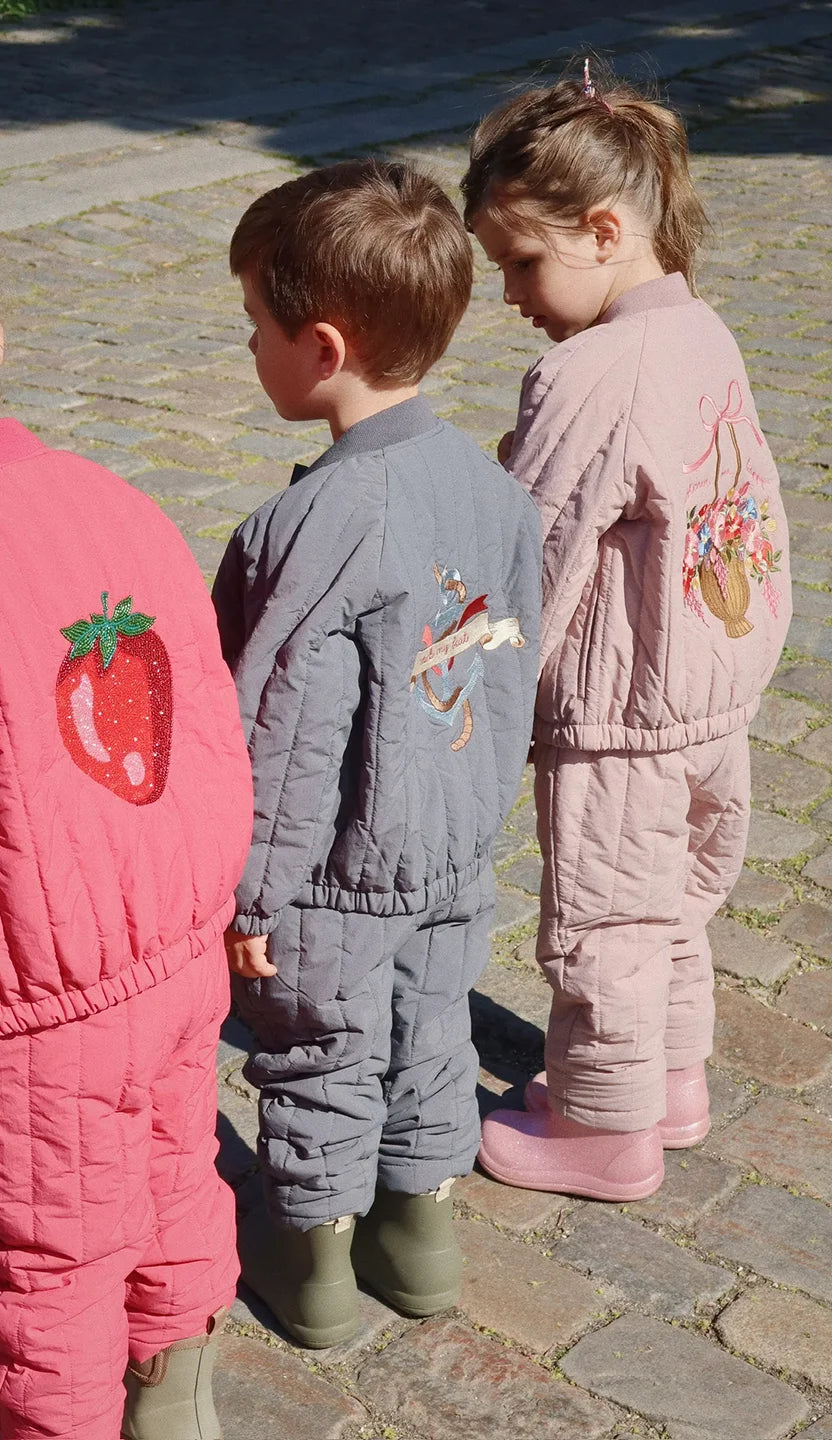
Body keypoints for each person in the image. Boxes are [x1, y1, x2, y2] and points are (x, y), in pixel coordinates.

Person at [0, 166, 253, 1440]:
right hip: (178, 957)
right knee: (178, 1177)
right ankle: (179, 1398)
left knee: (53, 1268)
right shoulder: (114, 499)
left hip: (36, 1011)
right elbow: (206, 717)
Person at [212, 159, 542, 1347]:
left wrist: (250, 892)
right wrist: (479, 817)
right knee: (432, 1030)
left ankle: (311, 1260)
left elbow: (284, 732)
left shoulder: (306, 526)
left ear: (324, 348)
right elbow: (511, 670)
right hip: (451, 845)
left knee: (321, 1052)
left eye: (256, 324)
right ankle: (420, 1237)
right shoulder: (492, 491)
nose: (249, 345)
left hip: (337, 866)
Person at [460, 64, 792, 1202]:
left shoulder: (590, 370)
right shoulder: (702, 330)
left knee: (603, 917)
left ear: (603, 231)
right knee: (674, 903)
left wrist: (475, 687)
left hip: (620, 707)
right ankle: (671, 1080)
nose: (511, 293)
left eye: (521, 263)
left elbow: (534, 548)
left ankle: (603, 1126)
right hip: (709, 690)